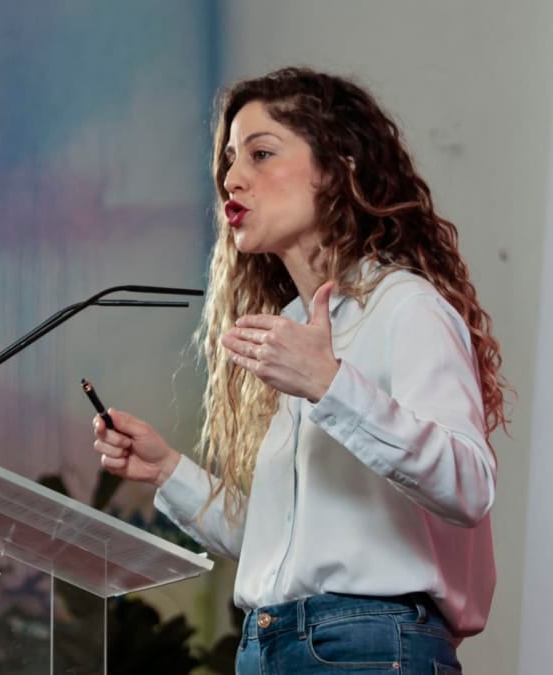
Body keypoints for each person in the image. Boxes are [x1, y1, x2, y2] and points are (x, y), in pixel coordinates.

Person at [91, 67, 507, 675]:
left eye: (261, 154)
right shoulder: (289, 331)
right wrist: (165, 470)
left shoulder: (405, 307)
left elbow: (469, 484)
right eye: (230, 160)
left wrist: (332, 385)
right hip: (266, 645)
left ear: (340, 166)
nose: (232, 179)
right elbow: (283, 546)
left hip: (367, 646)